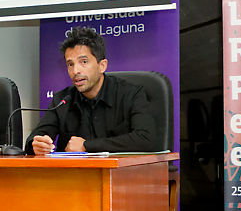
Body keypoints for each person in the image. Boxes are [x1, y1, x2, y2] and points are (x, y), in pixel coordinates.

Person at [24, 27, 158, 155]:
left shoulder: (130, 94)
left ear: (102, 65)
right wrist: (37, 145)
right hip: (74, 177)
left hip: (123, 176)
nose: (76, 71)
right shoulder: (62, 101)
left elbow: (146, 139)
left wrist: (87, 146)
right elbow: (36, 137)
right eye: (70, 64)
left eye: (83, 62)